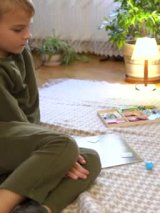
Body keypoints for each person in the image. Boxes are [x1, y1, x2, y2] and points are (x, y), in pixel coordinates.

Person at [0, 0, 101, 212]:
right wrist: (54, 154)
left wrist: (54, 160)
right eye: (18, 29)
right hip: (6, 137)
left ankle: (39, 209)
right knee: (64, 146)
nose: (27, 35)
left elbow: (30, 108)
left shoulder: (21, 52)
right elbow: (14, 120)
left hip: (17, 142)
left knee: (89, 159)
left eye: (28, 26)